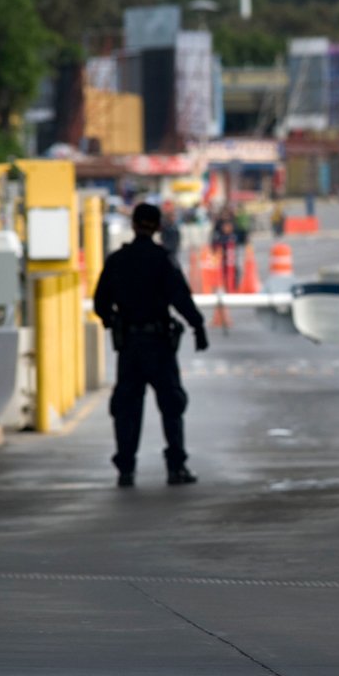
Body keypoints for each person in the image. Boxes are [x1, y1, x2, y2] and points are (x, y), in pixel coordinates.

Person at [94, 203, 209, 488]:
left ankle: (126, 470)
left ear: (133, 225)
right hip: (159, 344)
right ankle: (175, 467)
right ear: (157, 227)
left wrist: (115, 322)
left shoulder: (118, 259)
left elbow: (100, 303)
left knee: (126, 408)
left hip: (130, 346)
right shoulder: (162, 260)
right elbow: (180, 297)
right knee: (171, 405)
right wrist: (198, 326)